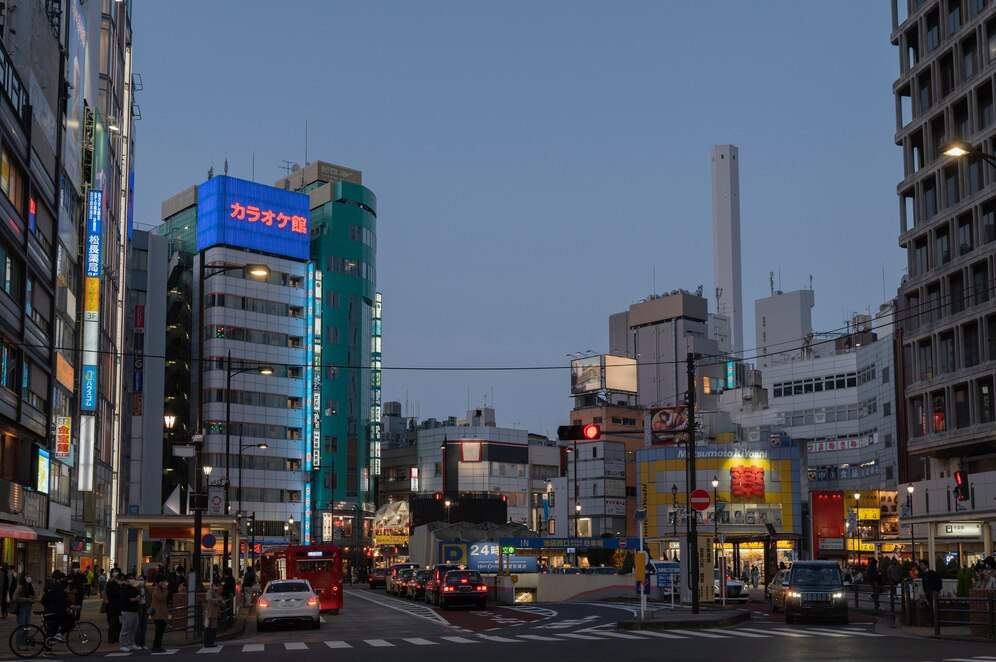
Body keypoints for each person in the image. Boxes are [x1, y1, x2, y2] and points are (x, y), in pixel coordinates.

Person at [117, 574, 141, 652]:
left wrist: (138, 598)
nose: (133, 580)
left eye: (133, 578)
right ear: (127, 580)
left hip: (135, 610)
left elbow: (139, 596)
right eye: (131, 579)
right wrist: (135, 599)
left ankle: (132, 643)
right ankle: (123, 645)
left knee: (133, 629)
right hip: (127, 611)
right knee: (126, 628)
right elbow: (127, 600)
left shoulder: (134, 588)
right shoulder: (125, 589)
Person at [41, 575, 68, 641]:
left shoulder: (52, 587)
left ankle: (49, 643)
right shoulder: (57, 587)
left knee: (52, 629)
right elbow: (61, 600)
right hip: (53, 611)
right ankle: (57, 636)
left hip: (51, 611)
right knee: (66, 620)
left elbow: (43, 600)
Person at [12, 574, 35, 648]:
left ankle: (25, 642)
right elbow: (15, 598)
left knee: (27, 626)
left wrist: (32, 599)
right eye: (27, 577)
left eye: (29, 577)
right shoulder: (20, 587)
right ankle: (18, 643)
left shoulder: (30, 586)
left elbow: (33, 595)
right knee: (21, 626)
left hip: (29, 607)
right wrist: (26, 599)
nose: (28, 578)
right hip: (22, 608)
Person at [150, 576, 169, 652]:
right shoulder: (157, 589)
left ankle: (158, 646)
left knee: (160, 631)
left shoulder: (160, 589)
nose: (164, 583)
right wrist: (165, 589)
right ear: (158, 582)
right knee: (159, 631)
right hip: (158, 613)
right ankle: (156, 646)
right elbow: (161, 597)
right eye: (162, 581)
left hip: (161, 613)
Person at [104, 570, 122, 645]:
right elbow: (110, 593)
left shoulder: (118, 583)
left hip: (117, 605)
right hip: (112, 605)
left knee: (118, 623)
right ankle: (112, 639)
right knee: (113, 623)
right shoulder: (110, 583)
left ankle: (116, 638)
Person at [203, 581, 222, 648]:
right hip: (209, 613)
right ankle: (208, 642)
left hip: (214, 613)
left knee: (213, 628)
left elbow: (220, 599)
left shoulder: (216, 592)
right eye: (217, 585)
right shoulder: (210, 592)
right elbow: (209, 599)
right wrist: (217, 600)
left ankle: (211, 642)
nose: (218, 587)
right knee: (209, 628)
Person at [134, 575, 149, 649]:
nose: (141, 581)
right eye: (139, 580)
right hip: (138, 608)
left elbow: (149, 599)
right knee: (138, 627)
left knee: (144, 627)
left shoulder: (147, 589)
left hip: (145, 608)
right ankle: (137, 643)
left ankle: (143, 643)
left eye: (142, 580)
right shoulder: (135, 589)